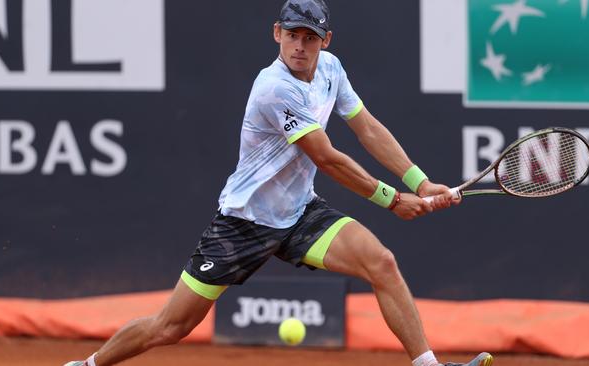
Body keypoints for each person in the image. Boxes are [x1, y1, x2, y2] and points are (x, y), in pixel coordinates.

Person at [65, 1, 493, 365]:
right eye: (292, 35)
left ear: (325, 40)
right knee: (170, 326)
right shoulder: (274, 88)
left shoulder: (331, 69)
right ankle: (89, 364)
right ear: (277, 34)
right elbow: (326, 157)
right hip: (244, 223)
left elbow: (367, 128)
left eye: (310, 38)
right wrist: (391, 199)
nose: (300, 46)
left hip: (299, 212)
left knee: (381, 262)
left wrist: (419, 182)